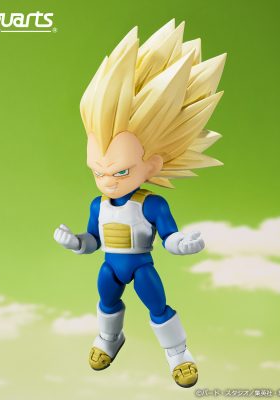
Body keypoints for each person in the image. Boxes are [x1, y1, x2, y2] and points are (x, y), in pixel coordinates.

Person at [54, 19, 226, 388]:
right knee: (107, 302)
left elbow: (169, 236)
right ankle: (109, 338)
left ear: (153, 166)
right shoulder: (99, 204)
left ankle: (178, 354)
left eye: (120, 172)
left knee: (157, 306)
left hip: (142, 267)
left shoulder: (152, 204)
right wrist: (76, 242)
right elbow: (93, 239)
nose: (106, 181)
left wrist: (181, 244)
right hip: (110, 267)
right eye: (97, 171)